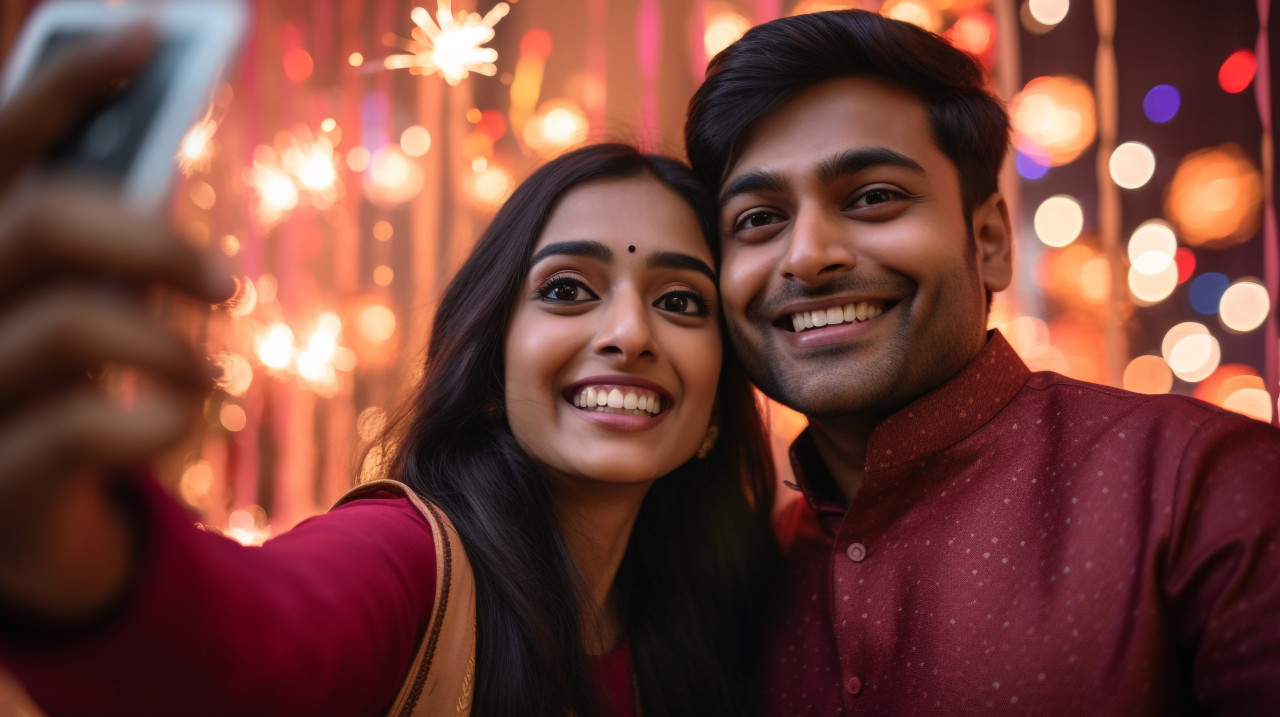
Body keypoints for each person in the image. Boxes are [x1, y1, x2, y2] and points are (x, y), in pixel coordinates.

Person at [0, 29, 777, 717]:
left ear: (716, 403)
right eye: (567, 289)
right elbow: (244, 648)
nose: (630, 334)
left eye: (680, 301)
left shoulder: (726, 627)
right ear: (484, 366)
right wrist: (70, 545)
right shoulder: (409, 561)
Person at [684, 8, 1280, 715]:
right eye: (758, 218)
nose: (809, 256)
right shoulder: (749, 578)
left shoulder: (1202, 483)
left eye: (874, 197)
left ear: (991, 238)